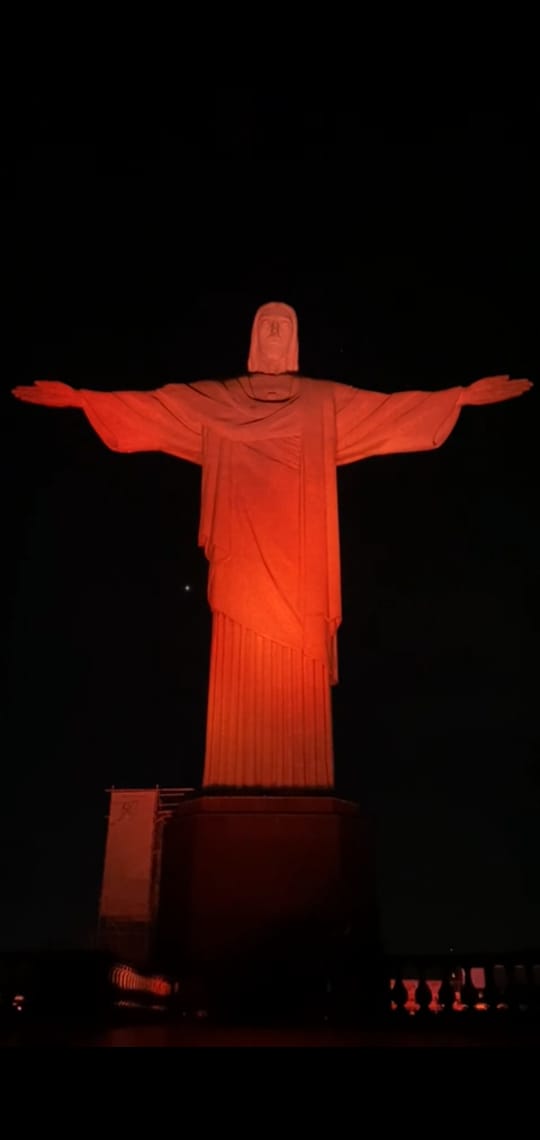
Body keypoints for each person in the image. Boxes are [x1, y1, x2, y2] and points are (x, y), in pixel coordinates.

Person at [12, 301, 532, 789]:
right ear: (255, 337)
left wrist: (458, 397)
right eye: (268, 324)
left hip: (302, 558)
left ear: (296, 338)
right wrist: (83, 399)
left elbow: (388, 412)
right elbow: (157, 407)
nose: (277, 332)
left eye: (285, 323)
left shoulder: (323, 400)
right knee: (238, 646)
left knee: (298, 661)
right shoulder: (220, 397)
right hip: (241, 551)